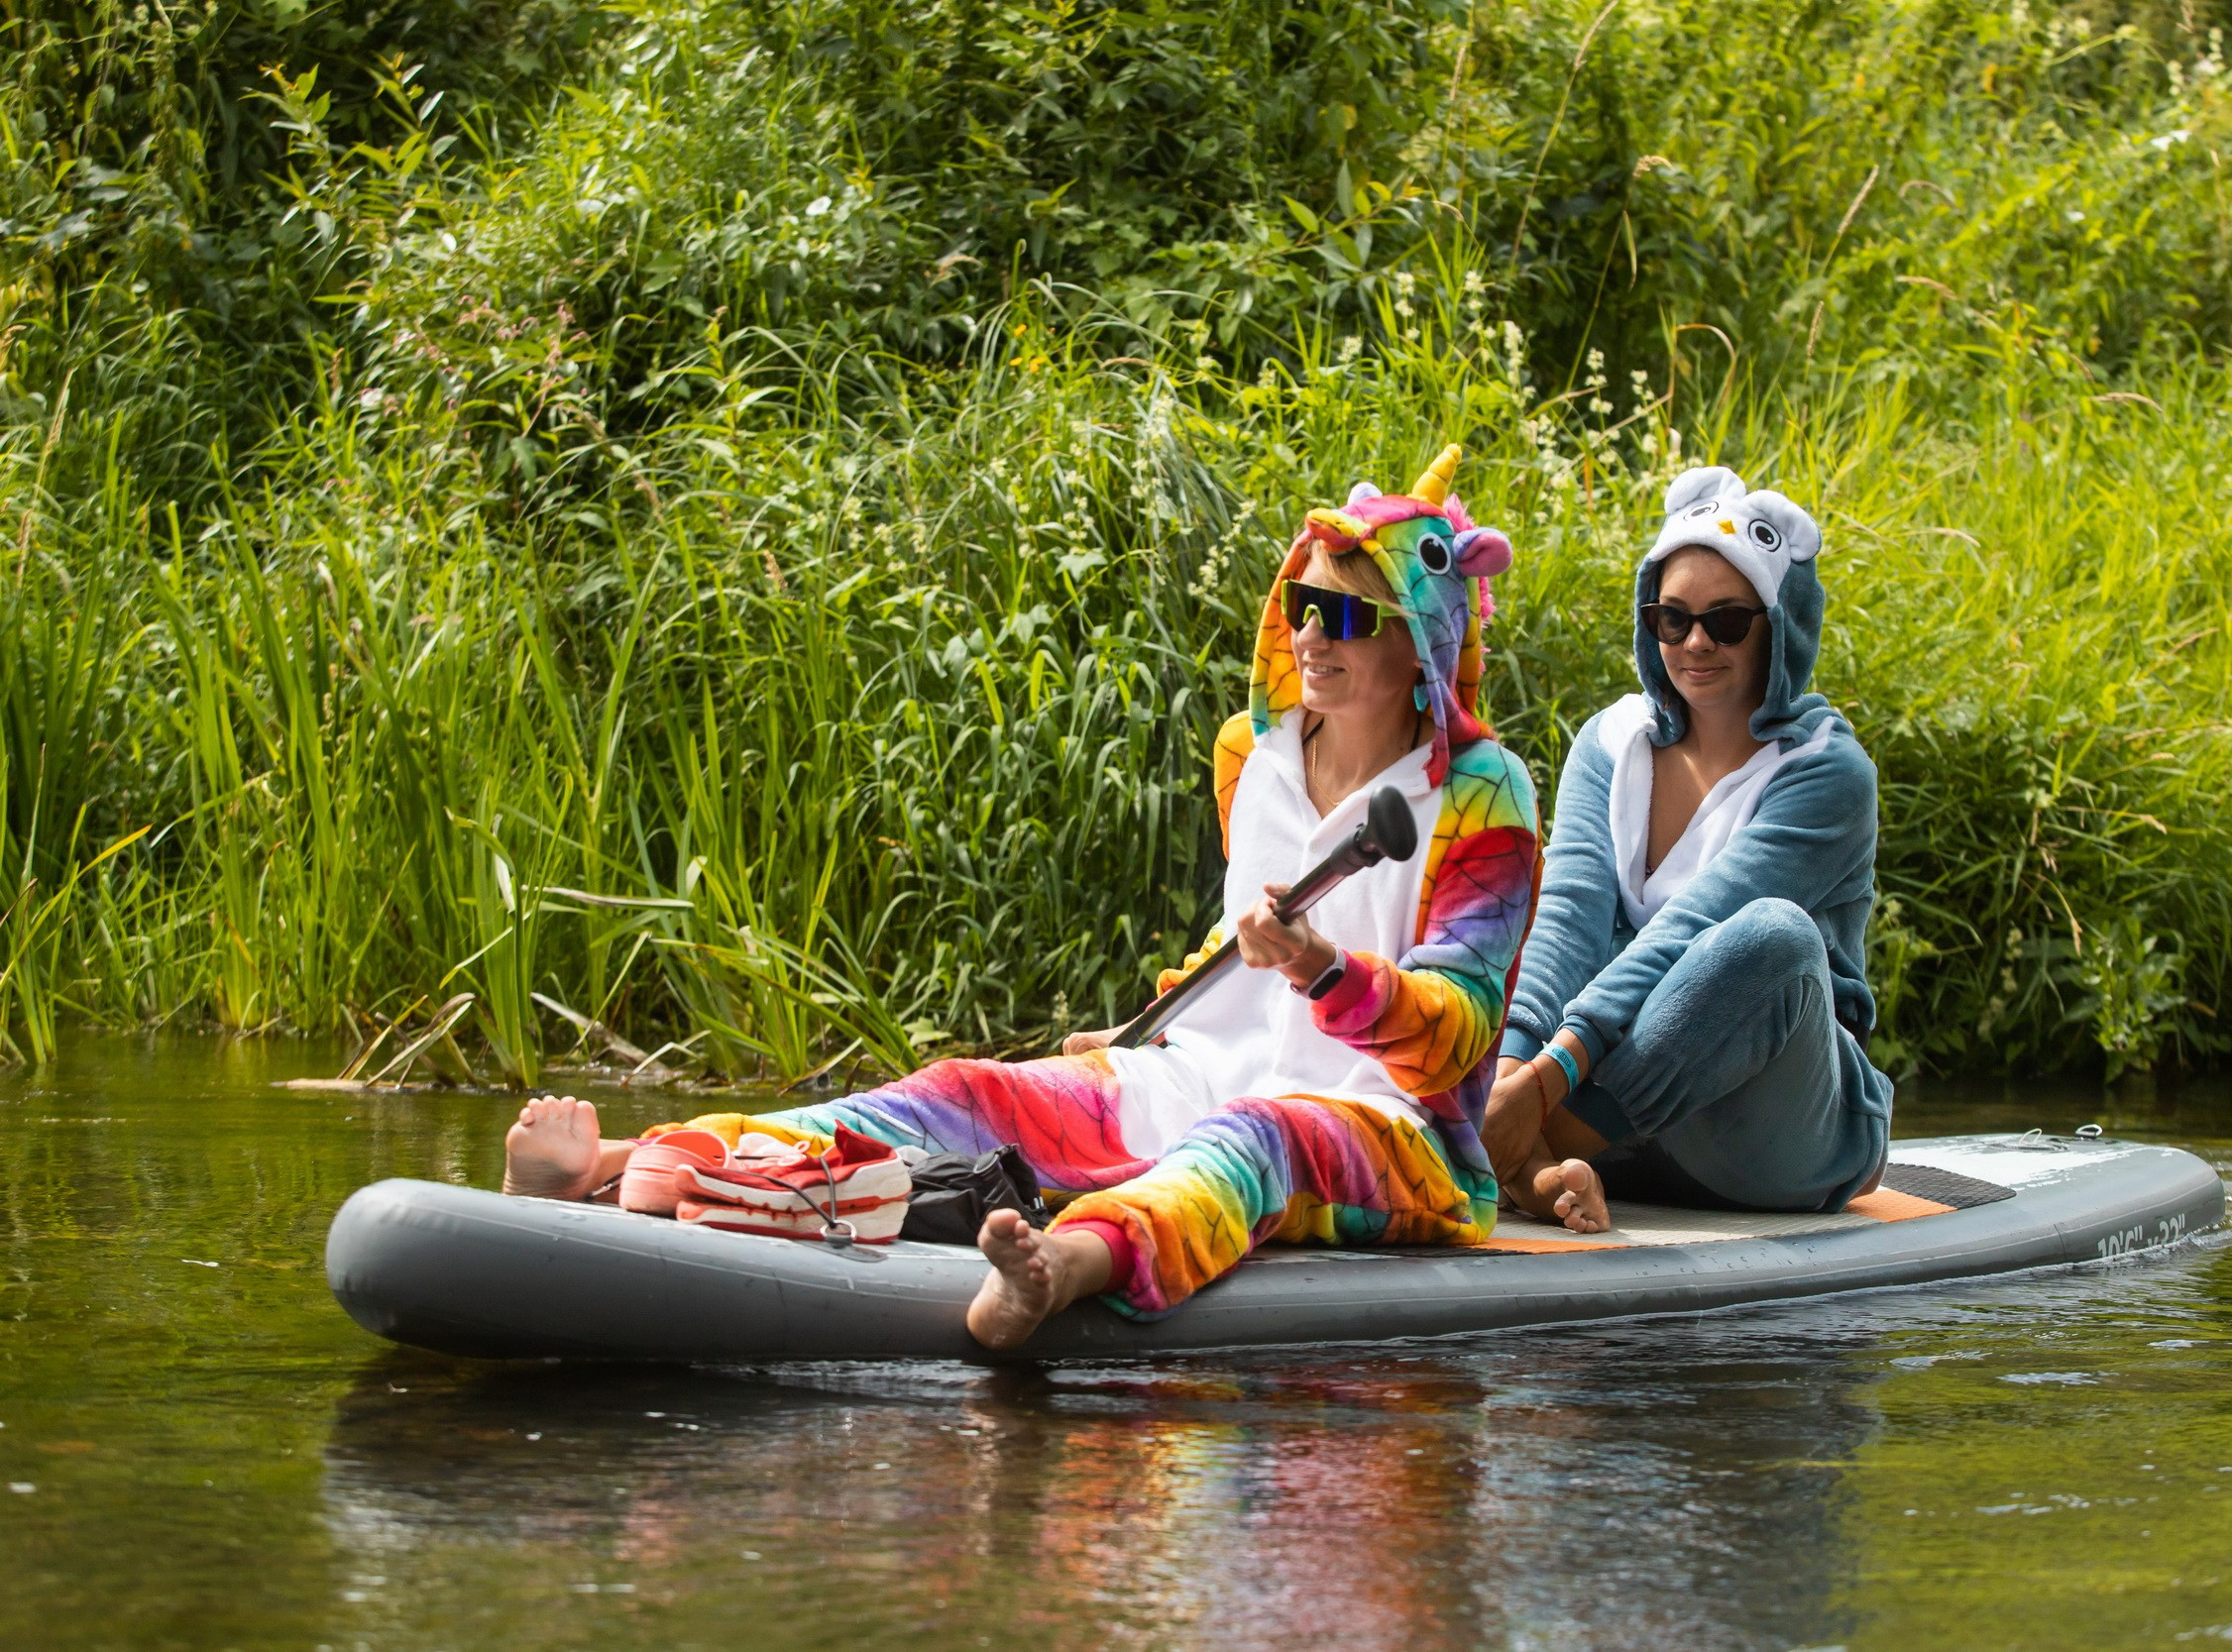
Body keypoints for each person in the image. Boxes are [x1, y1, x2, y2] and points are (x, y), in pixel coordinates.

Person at [502, 447, 1539, 1349]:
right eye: (1302, 605)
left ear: (1423, 642)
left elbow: (1453, 1040)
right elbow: (1239, 954)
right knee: (971, 1089)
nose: (1311, 636)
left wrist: (1322, 967)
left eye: (1347, 614)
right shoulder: (1251, 755)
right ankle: (638, 1158)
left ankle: (1057, 1268)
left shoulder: (1483, 794)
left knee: (1254, 1139)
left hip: (1393, 1130)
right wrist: (1150, 1022)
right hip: (1208, 1071)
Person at [1482, 466, 1892, 1234]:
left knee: (1773, 934)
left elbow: (1693, 925)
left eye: (1726, 621)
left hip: (1770, 1137)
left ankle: (1518, 1155)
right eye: (1672, 619)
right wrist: (1509, 1070)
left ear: (1777, 625)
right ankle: (1530, 1155)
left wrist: (1541, 1090)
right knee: (1497, 913)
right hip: (1619, 1126)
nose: (1696, 641)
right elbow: (1565, 921)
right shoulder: (1609, 743)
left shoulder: (1829, 774)